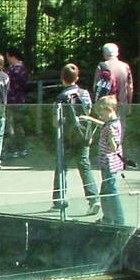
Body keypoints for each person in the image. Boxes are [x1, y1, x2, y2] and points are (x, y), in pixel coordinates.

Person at [52, 63, 98, 212]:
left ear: (62, 79)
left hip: (66, 136)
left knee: (62, 167)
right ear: (77, 78)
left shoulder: (60, 98)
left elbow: (55, 120)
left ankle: (60, 200)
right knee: (85, 165)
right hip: (83, 134)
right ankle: (93, 199)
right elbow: (90, 112)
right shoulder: (85, 94)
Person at [94, 95, 128, 224]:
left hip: (110, 164)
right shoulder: (113, 122)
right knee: (105, 191)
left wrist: (112, 138)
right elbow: (103, 125)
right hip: (107, 163)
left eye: (101, 113)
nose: (100, 115)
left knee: (111, 192)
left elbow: (114, 147)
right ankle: (107, 217)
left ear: (109, 110)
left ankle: (119, 220)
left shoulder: (112, 127)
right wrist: (90, 120)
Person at [93, 42, 135, 123]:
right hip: (122, 103)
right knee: (119, 129)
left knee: (106, 130)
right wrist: (129, 104)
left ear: (104, 54)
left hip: (106, 106)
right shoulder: (125, 66)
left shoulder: (101, 67)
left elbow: (95, 86)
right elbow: (130, 87)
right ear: (117, 53)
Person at [4, 50, 31, 158]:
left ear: (13, 57)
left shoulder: (11, 70)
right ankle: (23, 148)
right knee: (20, 125)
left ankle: (12, 150)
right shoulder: (24, 69)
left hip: (11, 101)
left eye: (8, 57)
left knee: (10, 126)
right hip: (22, 100)